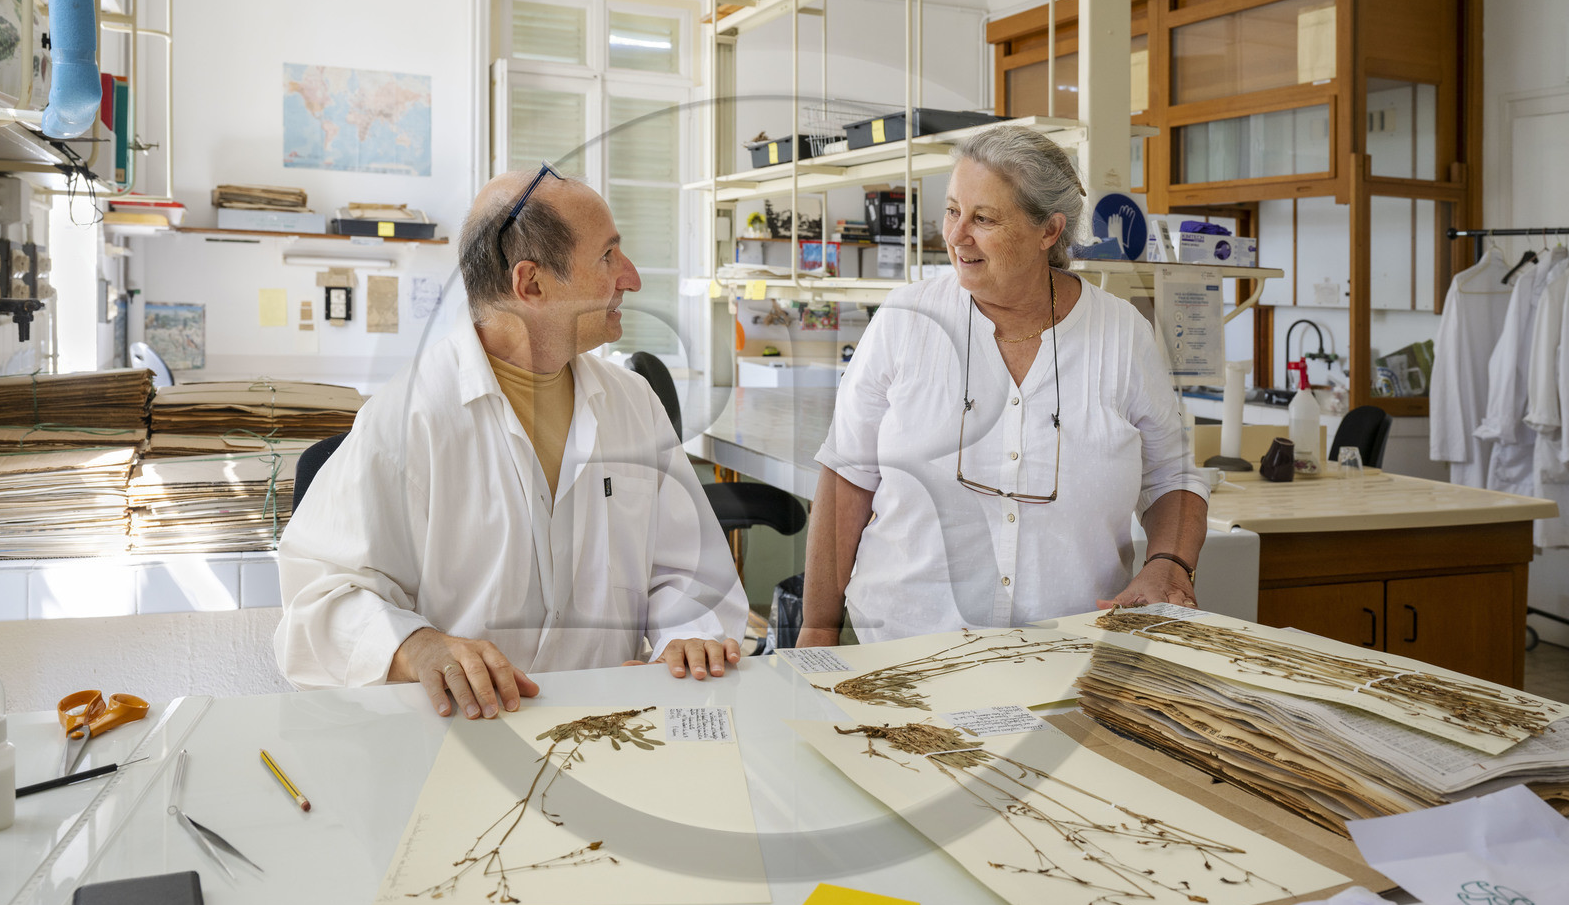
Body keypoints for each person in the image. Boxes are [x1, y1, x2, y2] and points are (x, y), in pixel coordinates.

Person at [275, 164, 749, 716]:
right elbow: (320, 603)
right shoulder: (409, 417)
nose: (632, 277)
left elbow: (687, 568)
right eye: (607, 257)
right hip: (465, 737)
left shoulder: (633, 403)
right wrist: (414, 647)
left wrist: (686, 637)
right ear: (531, 284)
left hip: (610, 724)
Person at [797, 126, 1207, 647]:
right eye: (952, 210)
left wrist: (1169, 563)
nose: (956, 235)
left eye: (983, 218)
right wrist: (818, 627)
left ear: (1049, 231)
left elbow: (1172, 475)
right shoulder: (905, 321)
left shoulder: (1122, 336)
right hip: (903, 646)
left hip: (1071, 651)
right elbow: (846, 479)